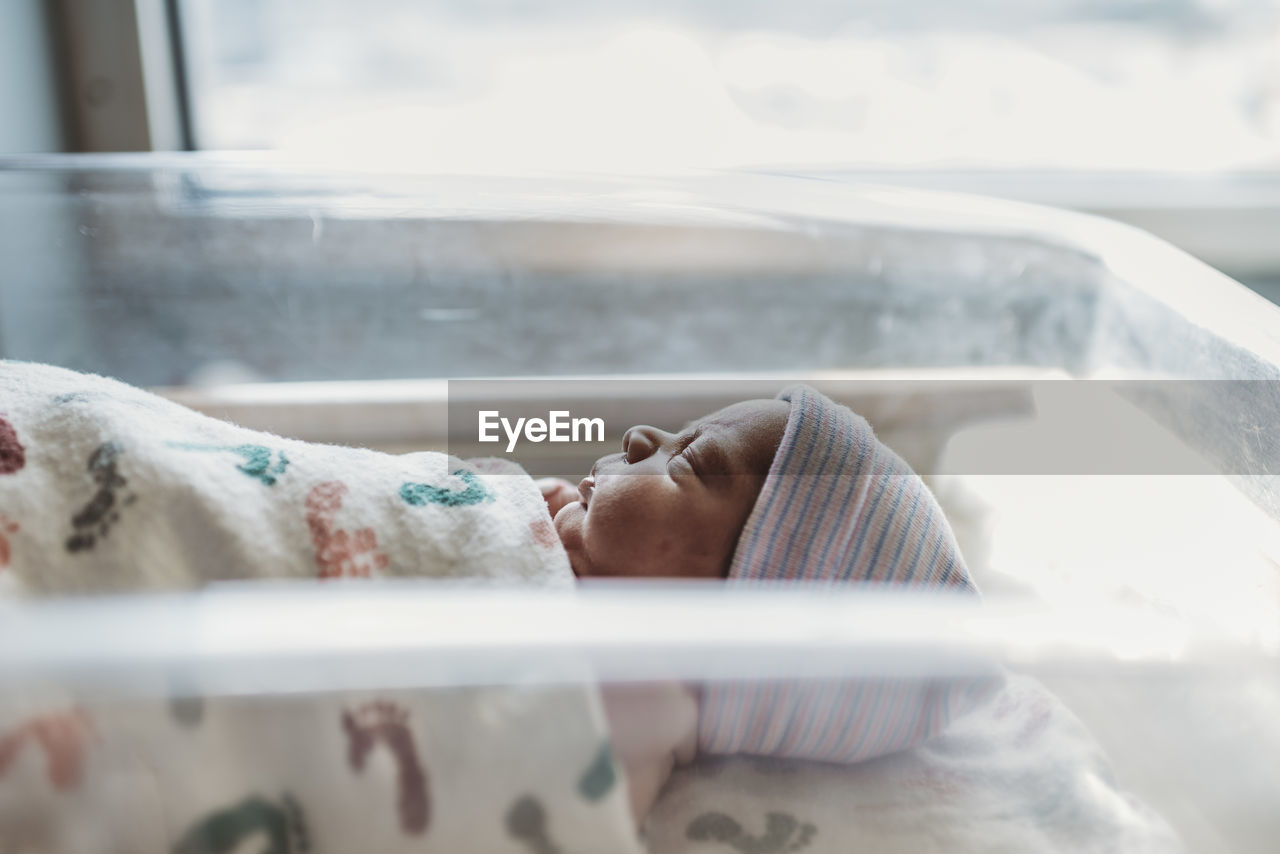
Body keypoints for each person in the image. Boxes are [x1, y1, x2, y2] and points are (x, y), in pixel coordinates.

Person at [540, 384, 986, 823]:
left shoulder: (640, 711)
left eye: (689, 462)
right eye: (681, 434)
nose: (639, 436)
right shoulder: (549, 520)